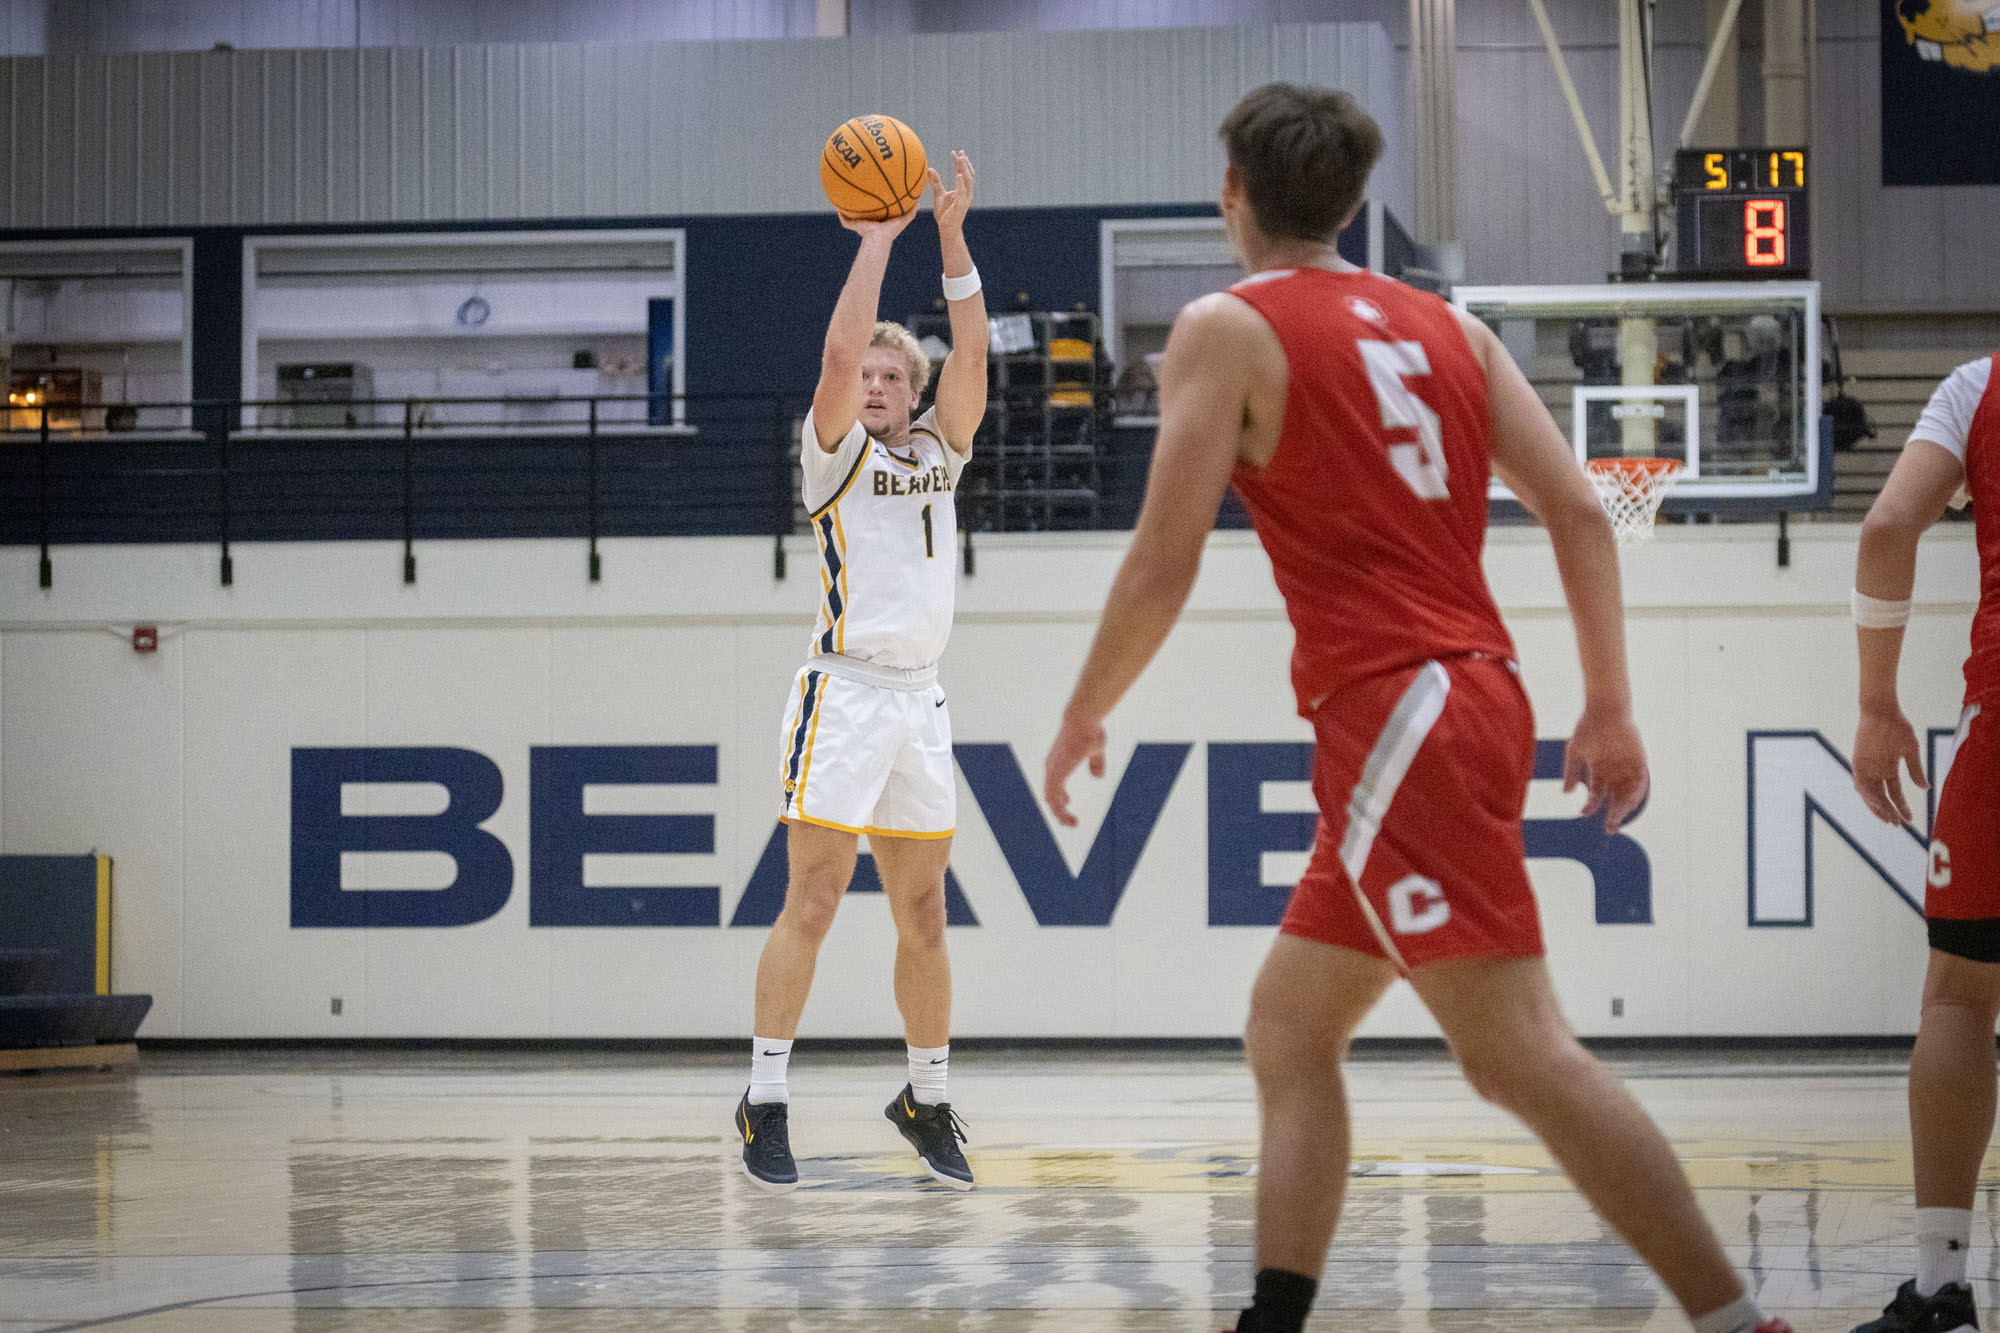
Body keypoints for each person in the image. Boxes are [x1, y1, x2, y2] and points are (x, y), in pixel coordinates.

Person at [1040, 83, 1794, 1333]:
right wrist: (1606, 703)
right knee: (1289, 1025)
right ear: (1352, 200)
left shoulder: (1222, 327)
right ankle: (1271, 1317)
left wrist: (1081, 709)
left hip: (1398, 709)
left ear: (1232, 190)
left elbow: (1162, 558)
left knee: (1518, 1053)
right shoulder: (1453, 331)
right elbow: (1576, 510)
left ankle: (1734, 1320)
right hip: (1472, 695)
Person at [735, 150, 987, 1194]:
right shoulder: (831, 450)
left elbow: (970, 349)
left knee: (923, 913)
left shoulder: (943, 448)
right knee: (813, 900)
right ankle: (765, 1098)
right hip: (841, 691)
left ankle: (924, 1095)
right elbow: (840, 350)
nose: (876, 384)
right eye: (869, 379)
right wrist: (877, 241)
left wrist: (949, 233)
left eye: (894, 376)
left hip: (918, 698)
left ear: (914, 394)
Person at [1849, 351, 1991, 1333]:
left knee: (1957, 993)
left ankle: (1939, 1289)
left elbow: (1887, 524)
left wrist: (1873, 702)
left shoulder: (1977, 386)